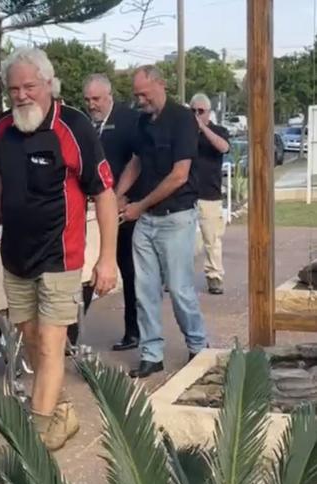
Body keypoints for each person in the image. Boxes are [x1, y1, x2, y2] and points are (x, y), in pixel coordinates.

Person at [0, 48, 118, 450]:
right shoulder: (2, 127)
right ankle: (62, 412)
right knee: (31, 340)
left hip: (61, 257)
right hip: (16, 258)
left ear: (48, 84)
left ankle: (37, 439)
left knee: (51, 340)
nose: (21, 96)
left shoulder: (74, 126)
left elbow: (105, 194)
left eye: (29, 86)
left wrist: (106, 258)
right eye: (13, 89)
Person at [115, 65, 208, 379]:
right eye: (137, 94)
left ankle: (198, 346)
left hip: (176, 218)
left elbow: (179, 175)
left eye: (145, 93)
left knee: (180, 289)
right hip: (147, 220)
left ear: (160, 85)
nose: (141, 100)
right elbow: (136, 162)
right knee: (144, 290)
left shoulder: (182, 119)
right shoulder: (142, 122)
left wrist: (138, 205)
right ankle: (151, 353)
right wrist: (117, 194)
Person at [83, 73, 141, 352]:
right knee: (83, 269)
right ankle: (69, 334)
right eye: (87, 100)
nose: (91, 104)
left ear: (109, 96)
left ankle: (134, 330)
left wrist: (126, 197)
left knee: (129, 272)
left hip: (123, 209)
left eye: (96, 99)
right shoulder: (85, 125)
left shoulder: (130, 120)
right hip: (90, 213)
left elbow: (139, 161)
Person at [189, 92, 230, 295]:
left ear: (208, 112)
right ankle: (177, 277)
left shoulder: (218, 130)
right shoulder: (184, 133)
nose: (196, 114)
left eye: (200, 111)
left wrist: (203, 128)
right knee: (180, 239)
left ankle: (214, 276)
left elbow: (223, 147)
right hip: (186, 194)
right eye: (193, 110)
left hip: (209, 194)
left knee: (212, 239)